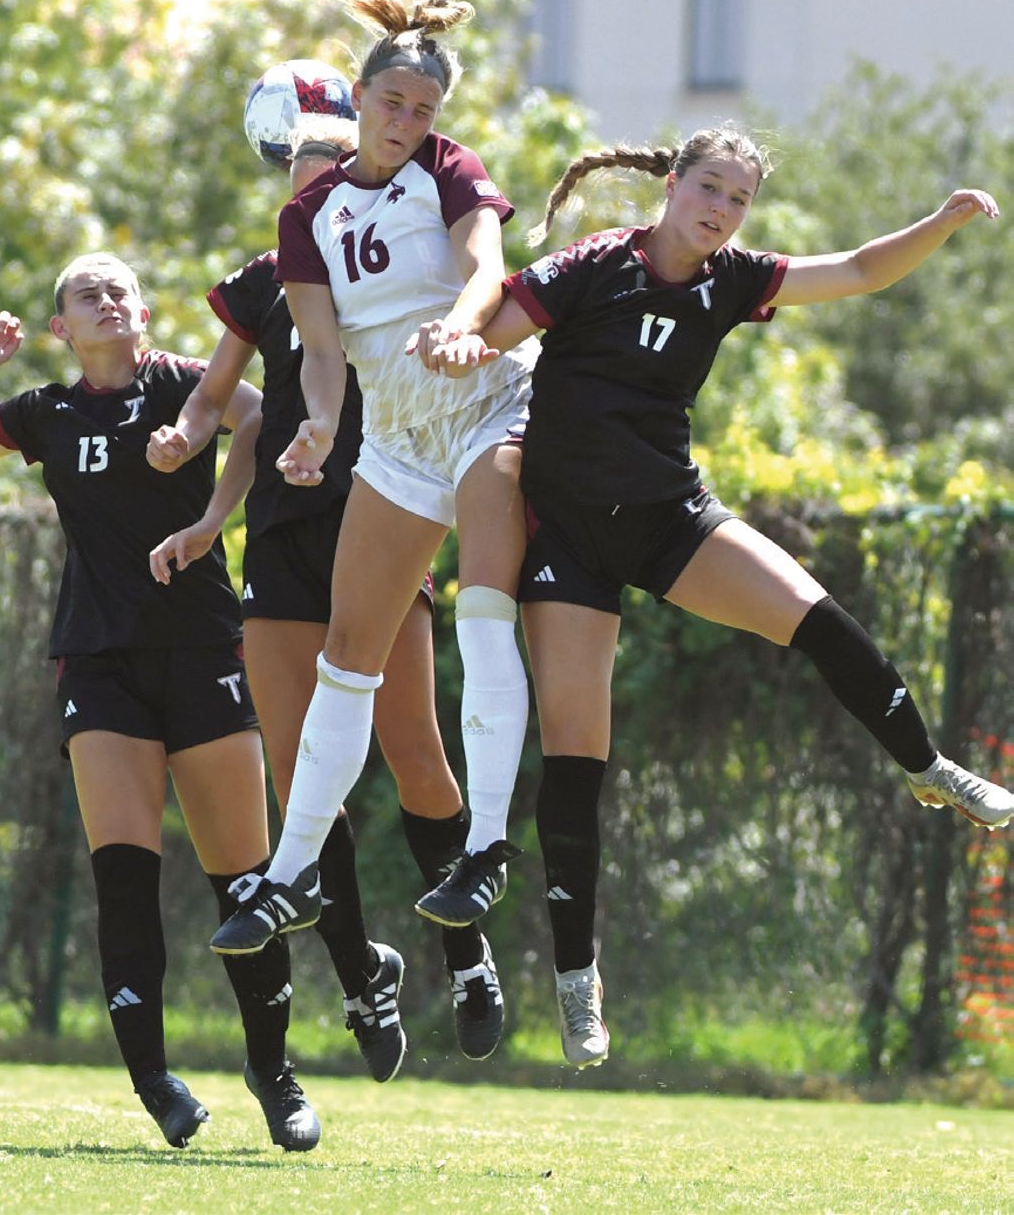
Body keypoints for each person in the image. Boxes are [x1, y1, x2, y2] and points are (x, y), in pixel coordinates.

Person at [418, 126, 1014, 1068]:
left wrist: (940, 220)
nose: (722, 211)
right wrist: (455, 341)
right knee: (577, 761)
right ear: (672, 186)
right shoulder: (594, 265)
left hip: (670, 520)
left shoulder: (731, 278)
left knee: (821, 620)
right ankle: (578, 984)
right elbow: (492, 328)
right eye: (710, 188)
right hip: (568, 537)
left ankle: (928, 766)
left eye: (739, 199)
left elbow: (858, 270)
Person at [0, 254, 321, 1151]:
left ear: (142, 311)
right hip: (99, 664)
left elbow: (260, 419)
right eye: (86, 293)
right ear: (63, 330)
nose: (107, 298)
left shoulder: (185, 385)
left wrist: (212, 523)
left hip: (202, 648)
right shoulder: (46, 413)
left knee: (245, 884)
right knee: (124, 882)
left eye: (118, 287)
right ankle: (153, 1081)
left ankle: (274, 1076)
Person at [147, 115, 506, 1073]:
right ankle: (361, 978)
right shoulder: (269, 284)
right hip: (285, 534)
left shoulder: (405, 265)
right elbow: (219, 397)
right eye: (302, 179)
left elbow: (479, 293)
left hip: (385, 516)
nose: (317, 193)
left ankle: (468, 956)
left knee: (415, 755)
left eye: (328, 173)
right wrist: (188, 446)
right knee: (303, 764)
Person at [208, 0, 540, 960]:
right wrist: (314, 425)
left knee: (483, 615)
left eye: (424, 110)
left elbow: (486, 265)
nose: (407, 121)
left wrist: (461, 322)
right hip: (395, 437)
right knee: (345, 657)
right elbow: (318, 348)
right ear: (357, 97)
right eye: (393, 102)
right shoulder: (308, 212)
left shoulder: (446, 169)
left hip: (486, 407)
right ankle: (289, 870)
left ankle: (483, 847)